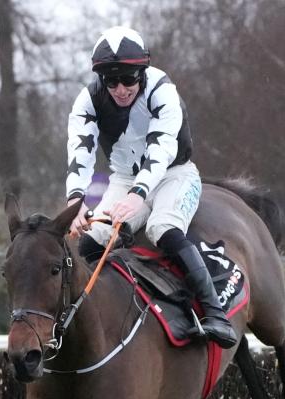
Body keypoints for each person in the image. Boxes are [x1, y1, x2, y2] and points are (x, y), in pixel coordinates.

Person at [63, 26, 237, 348]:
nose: (120, 89)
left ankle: (215, 313)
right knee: (91, 241)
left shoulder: (162, 89)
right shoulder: (88, 100)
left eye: (128, 79)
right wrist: (76, 200)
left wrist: (138, 194)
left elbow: (161, 149)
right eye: (111, 81)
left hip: (174, 174)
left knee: (161, 227)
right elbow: (80, 150)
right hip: (124, 179)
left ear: (142, 71)